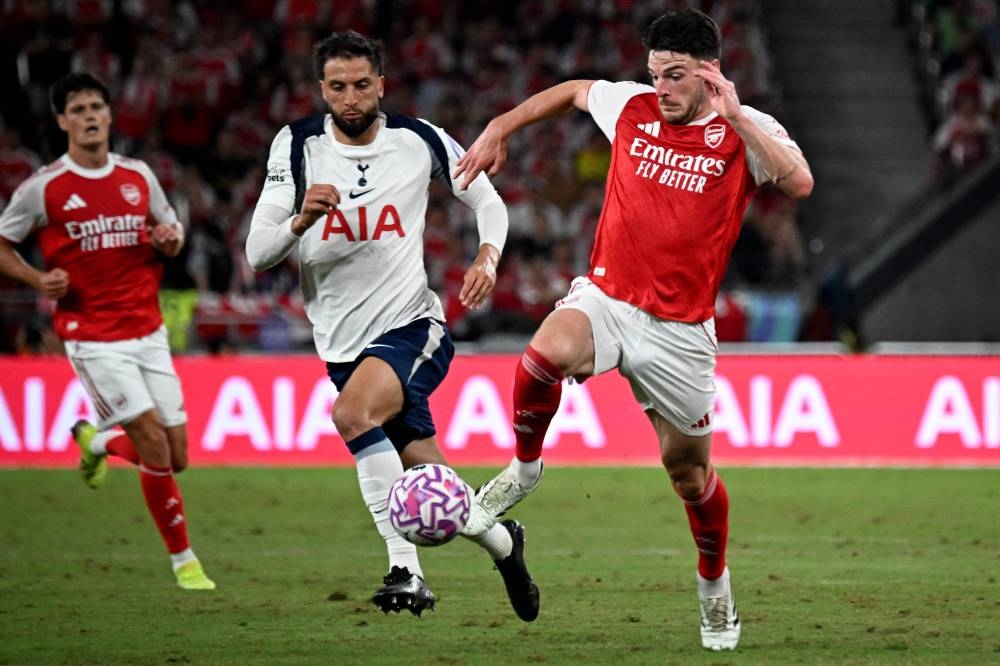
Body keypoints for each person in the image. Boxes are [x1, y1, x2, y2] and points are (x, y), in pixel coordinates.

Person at [455, 8, 813, 651]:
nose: (662, 89)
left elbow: (799, 183)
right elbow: (571, 92)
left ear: (710, 74)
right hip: (608, 298)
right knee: (542, 356)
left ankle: (714, 587)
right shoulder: (632, 108)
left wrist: (738, 119)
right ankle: (525, 467)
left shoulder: (747, 129)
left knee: (689, 477)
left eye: (675, 77)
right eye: (655, 75)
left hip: (680, 332)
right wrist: (500, 126)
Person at [246, 31, 539, 620]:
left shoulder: (419, 138)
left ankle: (405, 570)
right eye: (337, 87)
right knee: (435, 493)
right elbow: (258, 253)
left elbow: (489, 201)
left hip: (412, 326)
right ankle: (505, 545)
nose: (350, 98)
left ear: (380, 84)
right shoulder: (297, 144)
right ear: (321, 90)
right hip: (341, 347)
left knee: (352, 415)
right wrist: (300, 221)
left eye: (361, 85)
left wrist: (487, 255)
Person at [0, 72, 215, 591]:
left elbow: (171, 233)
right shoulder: (44, 187)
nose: (90, 116)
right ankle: (184, 562)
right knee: (155, 449)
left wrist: (168, 239)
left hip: (148, 330)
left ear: (111, 115)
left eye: (97, 106)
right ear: (60, 121)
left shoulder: (138, 175)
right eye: (78, 110)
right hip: (91, 336)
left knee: (177, 456)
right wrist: (36, 278)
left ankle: (95, 443)